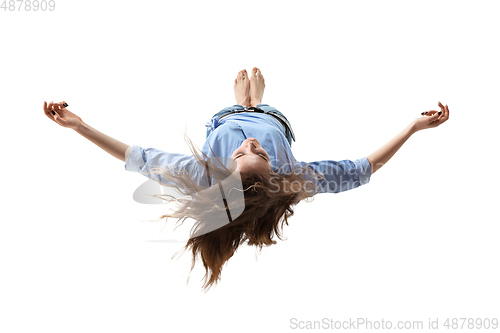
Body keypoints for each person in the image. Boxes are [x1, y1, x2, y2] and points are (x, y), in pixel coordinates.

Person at [43, 67, 450, 291]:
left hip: (224, 117)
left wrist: (80, 127)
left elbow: (137, 157)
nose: (251, 145)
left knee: (243, 90)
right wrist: (412, 128)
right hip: (276, 118)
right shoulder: (295, 178)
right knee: (257, 90)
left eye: (242, 154)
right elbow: (363, 169)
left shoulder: (202, 174)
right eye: (261, 154)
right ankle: (257, 100)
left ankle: (244, 102)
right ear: (275, 173)